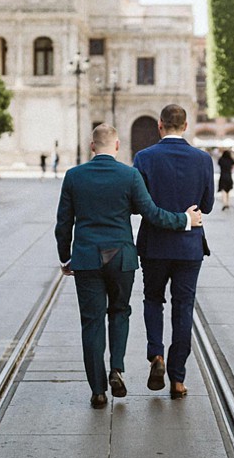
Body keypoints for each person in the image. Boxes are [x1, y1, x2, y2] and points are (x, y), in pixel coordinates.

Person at [55, 124, 202, 409]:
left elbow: (63, 224)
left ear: (91, 145)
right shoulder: (130, 175)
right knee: (120, 312)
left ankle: (98, 391)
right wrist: (185, 220)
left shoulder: (74, 177)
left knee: (92, 322)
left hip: (86, 258)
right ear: (118, 146)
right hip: (121, 257)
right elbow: (153, 214)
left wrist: (65, 257)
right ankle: (117, 369)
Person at [134, 105, 215, 399]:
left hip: (154, 245)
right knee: (183, 308)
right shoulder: (203, 159)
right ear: (186, 125)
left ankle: (156, 354)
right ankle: (178, 379)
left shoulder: (144, 158)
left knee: (153, 299)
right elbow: (206, 205)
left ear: (160, 125)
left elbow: (137, 203)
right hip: (189, 247)